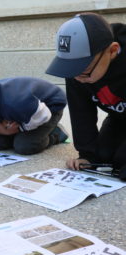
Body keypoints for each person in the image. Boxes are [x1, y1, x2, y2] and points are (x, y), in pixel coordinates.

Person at [46, 12, 126, 175]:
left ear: (112, 51)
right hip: (119, 118)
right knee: (101, 157)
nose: (78, 79)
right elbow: (80, 111)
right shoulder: (77, 72)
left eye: (85, 72)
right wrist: (86, 155)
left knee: (122, 160)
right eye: (72, 70)